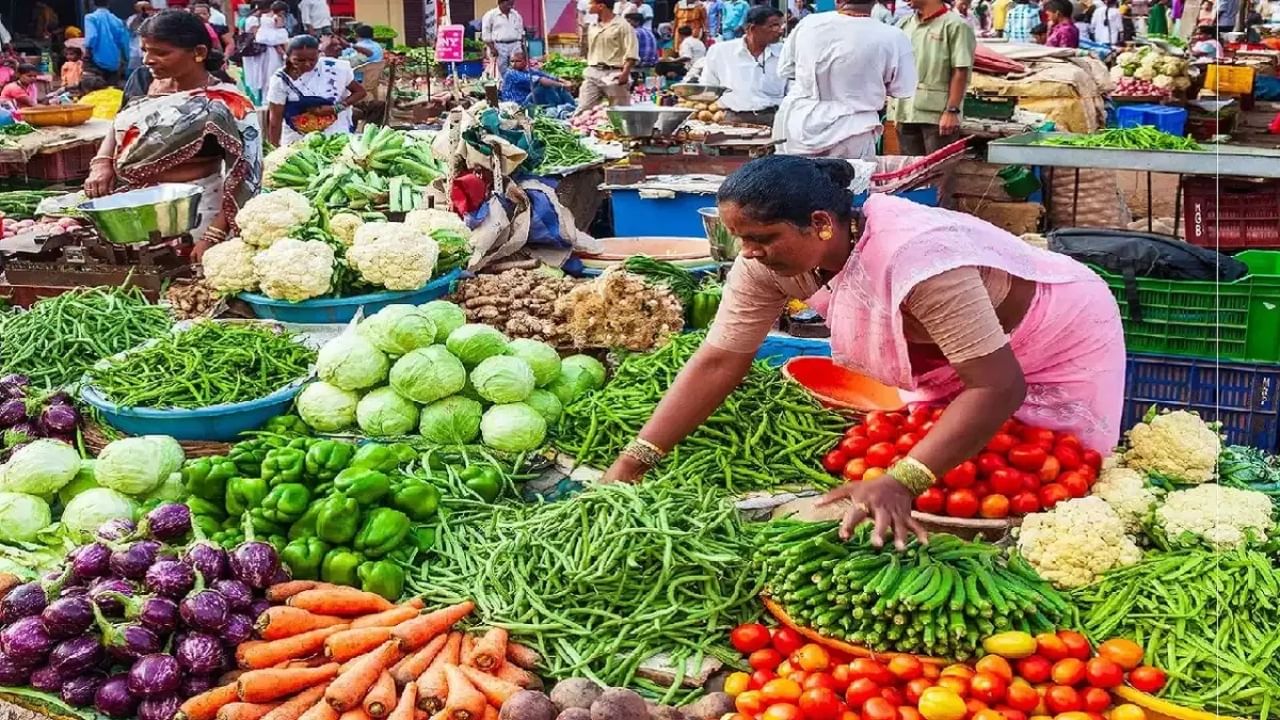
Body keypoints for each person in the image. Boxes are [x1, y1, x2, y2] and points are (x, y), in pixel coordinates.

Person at [602, 156, 1126, 547]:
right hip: (952, 354)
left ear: (822, 223)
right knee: (962, 457)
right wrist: (634, 461)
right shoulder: (765, 264)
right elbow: (720, 358)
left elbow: (997, 385)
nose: (749, 252)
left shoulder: (918, 259)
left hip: (1054, 334)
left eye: (762, 237)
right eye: (740, 238)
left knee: (1053, 476)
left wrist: (903, 477)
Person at [85, 10, 261, 257]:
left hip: (196, 212)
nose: (148, 59)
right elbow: (119, 122)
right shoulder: (141, 80)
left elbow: (247, 174)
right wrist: (102, 163)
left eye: (161, 53)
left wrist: (214, 235)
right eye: (145, 50)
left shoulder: (228, 102)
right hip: (133, 206)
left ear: (198, 53)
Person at [774, 0, 916, 159]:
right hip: (853, 131)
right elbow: (903, 89)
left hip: (798, 126)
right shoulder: (893, 36)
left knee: (795, 182)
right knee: (849, 182)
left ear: (838, 1)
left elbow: (786, 69)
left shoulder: (808, 24)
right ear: (875, 2)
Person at [892, 0, 975, 155]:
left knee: (938, 172)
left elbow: (960, 70)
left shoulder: (955, 25)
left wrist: (952, 111)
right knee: (911, 172)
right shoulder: (904, 24)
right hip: (905, 111)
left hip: (937, 114)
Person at [266, 35, 364, 147]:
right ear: (288, 57)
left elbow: (360, 92)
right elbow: (275, 119)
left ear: (318, 53)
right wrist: (273, 149)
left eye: (312, 59)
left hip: (334, 136)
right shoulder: (280, 80)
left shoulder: (335, 68)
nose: (307, 64)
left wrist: (336, 108)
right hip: (297, 139)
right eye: (299, 60)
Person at [700, 6, 786, 125]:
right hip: (733, 118)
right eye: (773, 26)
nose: (780, 30)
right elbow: (708, 88)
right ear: (752, 28)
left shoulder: (784, 53)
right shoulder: (720, 52)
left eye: (780, 25)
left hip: (775, 119)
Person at [578, 0, 638, 109]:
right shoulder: (593, 26)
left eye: (591, 3)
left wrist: (625, 74)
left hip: (614, 74)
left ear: (601, 6)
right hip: (593, 72)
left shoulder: (623, 26)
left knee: (620, 112)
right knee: (584, 108)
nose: (588, 6)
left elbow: (631, 52)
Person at [242, 2, 288, 105]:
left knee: (271, 80)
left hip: (271, 56)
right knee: (263, 80)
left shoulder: (276, 26)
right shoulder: (256, 20)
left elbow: (281, 40)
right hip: (260, 55)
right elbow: (262, 38)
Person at [500, 49, 574, 106]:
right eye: (512, 61)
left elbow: (548, 76)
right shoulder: (511, 73)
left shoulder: (528, 70)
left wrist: (564, 81)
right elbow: (541, 80)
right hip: (518, 104)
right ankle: (558, 105)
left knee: (555, 85)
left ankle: (570, 104)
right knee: (545, 86)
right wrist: (562, 85)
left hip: (528, 99)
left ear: (526, 62)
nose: (514, 64)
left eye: (518, 61)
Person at [85, 0, 132, 84]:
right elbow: (123, 42)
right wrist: (124, 58)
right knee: (112, 86)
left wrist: (87, 51)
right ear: (109, 4)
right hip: (114, 59)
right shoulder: (117, 20)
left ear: (93, 4)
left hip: (96, 58)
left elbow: (91, 37)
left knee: (94, 86)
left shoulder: (90, 18)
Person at [482, 0, 525, 77]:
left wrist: (521, 46)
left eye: (511, 4)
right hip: (499, 45)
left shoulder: (516, 15)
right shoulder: (490, 15)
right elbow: (486, 33)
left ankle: (515, 86)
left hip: (515, 44)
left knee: (517, 67)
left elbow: (520, 31)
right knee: (502, 69)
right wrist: (492, 48)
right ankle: (504, 87)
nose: (510, 6)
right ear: (501, 2)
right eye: (508, 4)